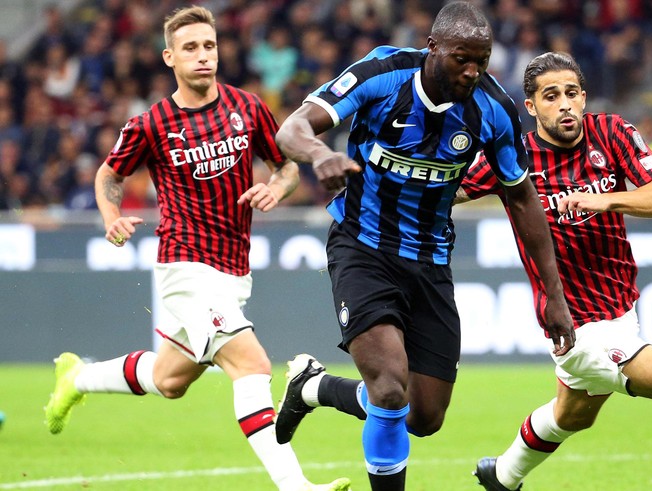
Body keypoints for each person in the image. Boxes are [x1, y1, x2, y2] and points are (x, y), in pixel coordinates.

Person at [42, 7, 350, 491]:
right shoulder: (151, 124)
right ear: (169, 57)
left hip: (232, 272)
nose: (203, 55)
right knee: (251, 363)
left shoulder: (247, 107)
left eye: (209, 45)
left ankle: (77, 378)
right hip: (184, 266)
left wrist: (277, 187)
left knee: (169, 380)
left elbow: (286, 166)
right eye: (190, 48)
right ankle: (297, 487)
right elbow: (109, 174)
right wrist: (110, 216)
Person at [272, 3, 574, 490]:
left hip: (432, 261)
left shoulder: (493, 109)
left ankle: (313, 387)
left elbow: (521, 198)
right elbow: (293, 128)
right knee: (390, 392)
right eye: (461, 59)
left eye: (482, 60)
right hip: (362, 246)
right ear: (432, 48)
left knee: (423, 415)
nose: (472, 71)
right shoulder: (382, 74)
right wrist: (320, 154)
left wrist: (553, 296)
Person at [457, 52, 652, 491]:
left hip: (621, 309)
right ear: (531, 107)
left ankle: (502, 476)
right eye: (550, 96)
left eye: (571, 93)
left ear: (583, 97)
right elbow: (446, 191)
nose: (564, 104)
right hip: (573, 323)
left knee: (573, 414)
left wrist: (602, 199)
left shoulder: (613, 133)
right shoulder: (515, 157)